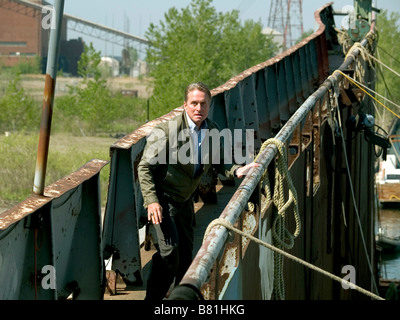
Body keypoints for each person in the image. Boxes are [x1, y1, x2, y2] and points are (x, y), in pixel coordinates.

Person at [138, 82, 259, 301]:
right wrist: (152, 201)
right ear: (185, 105)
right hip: (164, 200)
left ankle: (180, 301)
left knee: (186, 260)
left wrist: (238, 170)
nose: (198, 108)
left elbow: (220, 162)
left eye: (203, 104)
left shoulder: (211, 129)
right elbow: (144, 167)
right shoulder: (167, 131)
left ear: (209, 106)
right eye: (193, 103)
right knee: (169, 255)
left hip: (185, 202)